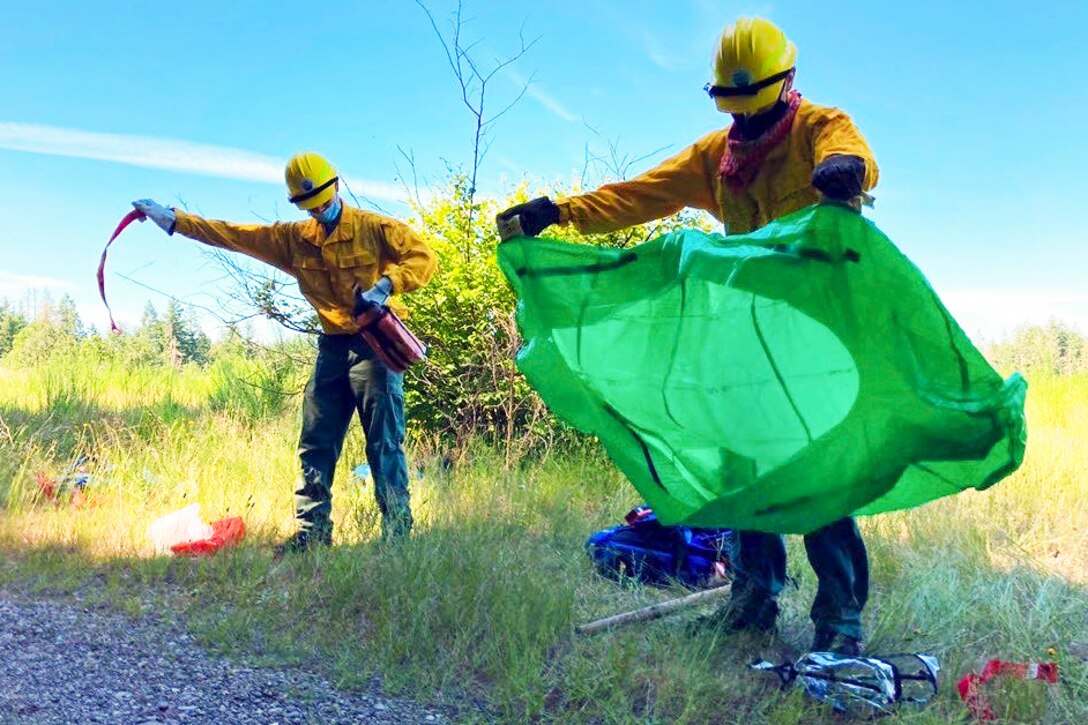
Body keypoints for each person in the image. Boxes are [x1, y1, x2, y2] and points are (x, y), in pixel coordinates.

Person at [496, 17, 876, 655]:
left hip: (816, 340)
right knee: (746, 477)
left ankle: (838, 626)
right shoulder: (716, 159)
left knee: (817, 480)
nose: (746, 127)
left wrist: (843, 172)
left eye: (755, 112)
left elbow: (857, 159)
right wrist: (557, 213)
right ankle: (752, 605)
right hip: (746, 342)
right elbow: (639, 195)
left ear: (788, 84)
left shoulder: (820, 127)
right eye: (736, 113)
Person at [134, 152, 437, 551]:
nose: (321, 212)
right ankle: (313, 535)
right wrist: (173, 220)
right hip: (331, 347)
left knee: (384, 441)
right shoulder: (295, 240)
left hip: (374, 347)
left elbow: (424, 257)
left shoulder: (375, 228)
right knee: (316, 440)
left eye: (325, 203)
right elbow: (234, 234)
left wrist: (387, 285)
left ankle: (398, 536)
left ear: (337, 186)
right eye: (312, 208)